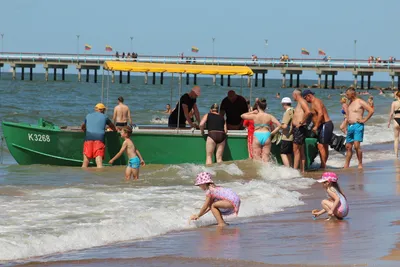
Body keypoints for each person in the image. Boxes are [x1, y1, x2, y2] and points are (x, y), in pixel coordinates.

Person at [344, 88, 374, 169]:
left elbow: (371, 110)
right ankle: (346, 165)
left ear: (352, 94)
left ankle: (360, 164)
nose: (346, 96)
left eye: (347, 94)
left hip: (358, 125)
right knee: (348, 147)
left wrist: (364, 120)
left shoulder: (360, 101)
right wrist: (344, 126)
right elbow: (348, 116)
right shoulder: (349, 103)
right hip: (350, 126)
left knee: (357, 146)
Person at [302, 89, 333, 169]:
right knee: (324, 146)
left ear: (309, 96)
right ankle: (323, 165)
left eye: (305, 98)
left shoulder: (316, 101)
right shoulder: (313, 103)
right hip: (323, 125)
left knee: (321, 146)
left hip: (325, 125)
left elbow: (320, 114)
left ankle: (323, 166)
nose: (306, 100)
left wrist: (316, 126)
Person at [81, 103, 117, 168]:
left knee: (86, 161)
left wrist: (84, 130)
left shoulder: (88, 115)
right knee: (99, 161)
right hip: (99, 139)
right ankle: (99, 176)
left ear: (96, 109)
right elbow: (112, 126)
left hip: (88, 138)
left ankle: (84, 176)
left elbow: (83, 126)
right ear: (102, 110)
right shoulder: (105, 117)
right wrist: (115, 131)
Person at [292, 89, 311, 173]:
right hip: (299, 129)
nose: (293, 97)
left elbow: (308, 112)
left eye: (293, 95)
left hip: (299, 129)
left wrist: (302, 122)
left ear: (296, 95)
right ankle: (302, 170)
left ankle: (295, 171)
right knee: (301, 150)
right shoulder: (300, 102)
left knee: (296, 150)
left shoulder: (302, 102)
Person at [278, 97, 294, 167]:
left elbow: (284, 126)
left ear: (284, 104)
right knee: (289, 153)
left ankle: (287, 168)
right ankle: (290, 167)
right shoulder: (293, 110)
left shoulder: (287, 112)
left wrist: (278, 125)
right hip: (292, 135)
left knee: (283, 153)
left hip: (286, 136)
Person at [388, 91, 400, 157]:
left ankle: (396, 155)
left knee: (396, 138)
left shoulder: (394, 103)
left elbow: (391, 113)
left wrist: (389, 122)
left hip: (396, 120)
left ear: (397, 96)